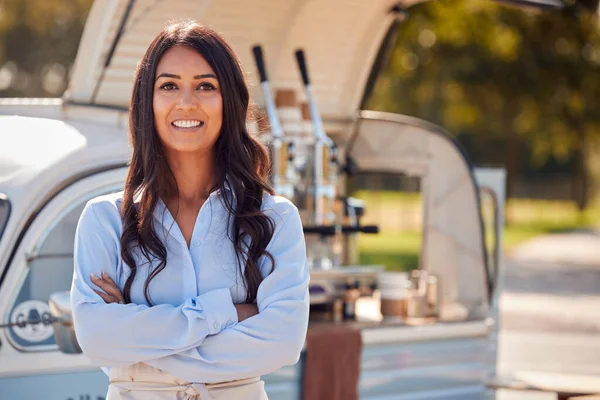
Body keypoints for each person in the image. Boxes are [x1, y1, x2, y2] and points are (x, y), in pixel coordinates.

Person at [70, 20, 310, 400]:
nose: (186, 102)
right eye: (168, 85)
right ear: (146, 102)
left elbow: (282, 342)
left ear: (228, 101)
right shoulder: (104, 220)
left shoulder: (275, 218)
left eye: (205, 86)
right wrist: (227, 312)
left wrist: (139, 347)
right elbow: (97, 340)